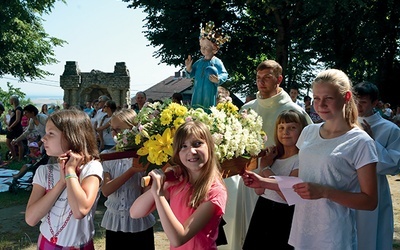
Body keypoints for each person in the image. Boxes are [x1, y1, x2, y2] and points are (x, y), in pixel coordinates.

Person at [220, 60, 312, 250]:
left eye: (267, 78)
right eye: (258, 78)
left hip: (281, 182)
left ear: (279, 79)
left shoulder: (294, 112)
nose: (261, 83)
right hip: (249, 179)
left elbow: (307, 150)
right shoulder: (247, 109)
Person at [288, 69, 378, 249]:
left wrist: (325, 192)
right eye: (316, 98)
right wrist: (264, 180)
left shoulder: (360, 142)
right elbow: (299, 177)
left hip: (333, 235)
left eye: (328, 98)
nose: (320, 104)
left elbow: (370, 201)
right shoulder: (308, 132)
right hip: (302, 229)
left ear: (346, 97)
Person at [130, 121, 227, 250]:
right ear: (177, 153)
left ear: (210, 146)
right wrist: (164, 185)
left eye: (197, 144)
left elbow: (178, 238)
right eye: (183, 146)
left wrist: (159, 195)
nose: (191, 151)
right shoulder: (178, 182)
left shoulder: (215, 192)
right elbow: (135, 212)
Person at [25, 109, 103, 249]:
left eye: (51, 134)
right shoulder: (44, 171)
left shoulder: (91, 169)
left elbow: (80, 210)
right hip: (46, 243)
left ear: (72, 137)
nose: (43, 138)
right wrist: (61, 183)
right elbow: (31, 219)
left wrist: (70, 171)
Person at [242, 109, 308, 250]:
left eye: (292, 128)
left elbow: (288, 196)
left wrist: (265, 169)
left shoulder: (301, 160)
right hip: (263, 209)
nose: (285, 132)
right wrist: (263, 166)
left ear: (302, 131)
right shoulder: (274, 158)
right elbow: (260, 191)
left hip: (283, 216)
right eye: (281, 128)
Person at [352, 81, 400, 250]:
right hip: (346, 187)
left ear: (375, 103)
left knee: (370, 236)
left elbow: (393, 166)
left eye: (363, 102)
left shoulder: (390, 129)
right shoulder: (344, 124)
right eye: (355, 100)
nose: (358, 106)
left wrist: (370, 141)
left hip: (374, 188)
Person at [101, 109, 156, 249]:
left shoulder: (144, 157)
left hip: (139, 222)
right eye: (112, 129)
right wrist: (132, 170)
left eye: (119, 130)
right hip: (115, 222)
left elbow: (146, 195)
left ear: (133, 130)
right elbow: (106, 191)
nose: (114, 134)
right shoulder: (108, 156)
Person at [185, 21, 229, 110]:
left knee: (207, 106)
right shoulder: (199, 62)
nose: (203, 49)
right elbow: (190, 74)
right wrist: (188, 68)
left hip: (209, 91)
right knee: (196, 106)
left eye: (206, 47)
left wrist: (218, 79)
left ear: (215, 50)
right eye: (201, 47)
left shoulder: (217, 62)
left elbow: (225, 74)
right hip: (197, 90)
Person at [6, 95, 24, 162]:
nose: (9, 101)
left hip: (17, 129)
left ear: (13, 101)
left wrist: (10, 127)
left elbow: (17, 120)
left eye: (10, 100)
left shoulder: (18, 109)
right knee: (8, 142)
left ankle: (20, 158)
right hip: (12, 128)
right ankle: (14, 156)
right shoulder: (14, 109)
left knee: (19, 143)